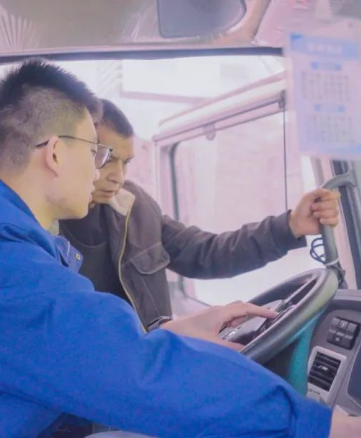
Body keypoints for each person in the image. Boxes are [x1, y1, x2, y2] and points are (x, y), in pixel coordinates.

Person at [0, 59, 361, 437]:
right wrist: (333, 428)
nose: (105, 169)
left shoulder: (6, 243)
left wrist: (171, 334)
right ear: (56, 153)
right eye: (96, 153)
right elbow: (128, 370)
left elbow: (87, 356)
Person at [60, 99, 343, 329]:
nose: (118, 177)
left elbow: (205, 253)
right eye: (106, 159)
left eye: (126, 163)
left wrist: (289, 227)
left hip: (154, 360)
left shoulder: (136, 207)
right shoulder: (44, 228)